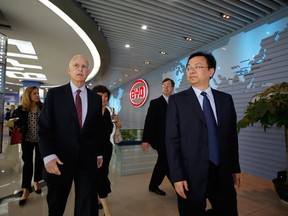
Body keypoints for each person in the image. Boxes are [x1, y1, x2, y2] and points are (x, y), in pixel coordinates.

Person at [166, 52, 242, 216]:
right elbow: (172, 141)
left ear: (211, 71)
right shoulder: (177, 101)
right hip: (191, 174)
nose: (191, 71)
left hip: (222, 172)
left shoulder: (225, 99)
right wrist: (177, 177)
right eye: (188, 68)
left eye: (198, 67)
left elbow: (231, 137)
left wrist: (234, 168)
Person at [38, 55, 104, 216]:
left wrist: (99, 152)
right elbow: (45, 127)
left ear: (88, 71)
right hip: (59, 160)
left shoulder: (95, 99)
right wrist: (47, 156)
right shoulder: (55, 95)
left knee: (87, 206)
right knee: (56, 204)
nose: (80, 69)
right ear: (69, 70)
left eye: (83, 66)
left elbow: (97, 129)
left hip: (87, 160)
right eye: (76, 65)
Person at [141, 78, 175, 196]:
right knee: (166, 161)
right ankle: (178, 186)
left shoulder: (177, 102)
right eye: (164, 85)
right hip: (160, 140)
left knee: (163, 163)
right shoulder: (155, 103)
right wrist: (145, 140)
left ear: (173, 88)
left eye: (169, 85)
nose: (166, 87)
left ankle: (153, 185)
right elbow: (149, 122)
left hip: (174, 140)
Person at [93, 85, 122, 216]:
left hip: (106, 148)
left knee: (102, 174)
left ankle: (103, 202)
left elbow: (119, 126)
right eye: (100, 96)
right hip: (92, 149)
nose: (103, 99)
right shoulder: (90, 111)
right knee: (96, 176)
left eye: (105, 96)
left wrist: (117, 122)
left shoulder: (111, 111)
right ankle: (105, 208)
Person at [16, 86, 44, 206]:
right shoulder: (22, 109)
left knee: (39, 161)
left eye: (38, 93)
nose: (37, 95)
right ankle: (26, 189)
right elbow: (19, 123)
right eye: (34, 93)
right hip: (27, 140)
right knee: (27, 163)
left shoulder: (42, 107)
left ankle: (36, 181)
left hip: (40, 140)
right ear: (28, 95)